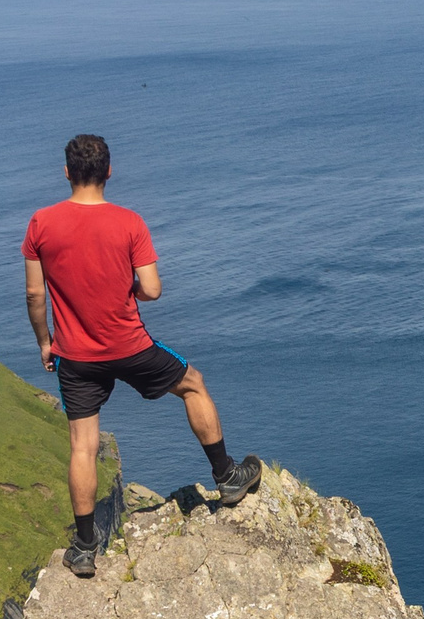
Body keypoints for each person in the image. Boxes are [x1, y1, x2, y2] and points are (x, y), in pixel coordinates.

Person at [23, 133, 261, 575]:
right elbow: (151, 289)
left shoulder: (41, 222)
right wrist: (123, 286)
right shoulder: (129, 222)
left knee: (83, 446)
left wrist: (44, 341)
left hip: (75, 355)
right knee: (193, 385)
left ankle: (85, 548)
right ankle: (228, 477)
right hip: (129, 345)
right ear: (109, 171)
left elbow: (35, 294)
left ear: (67, 172)